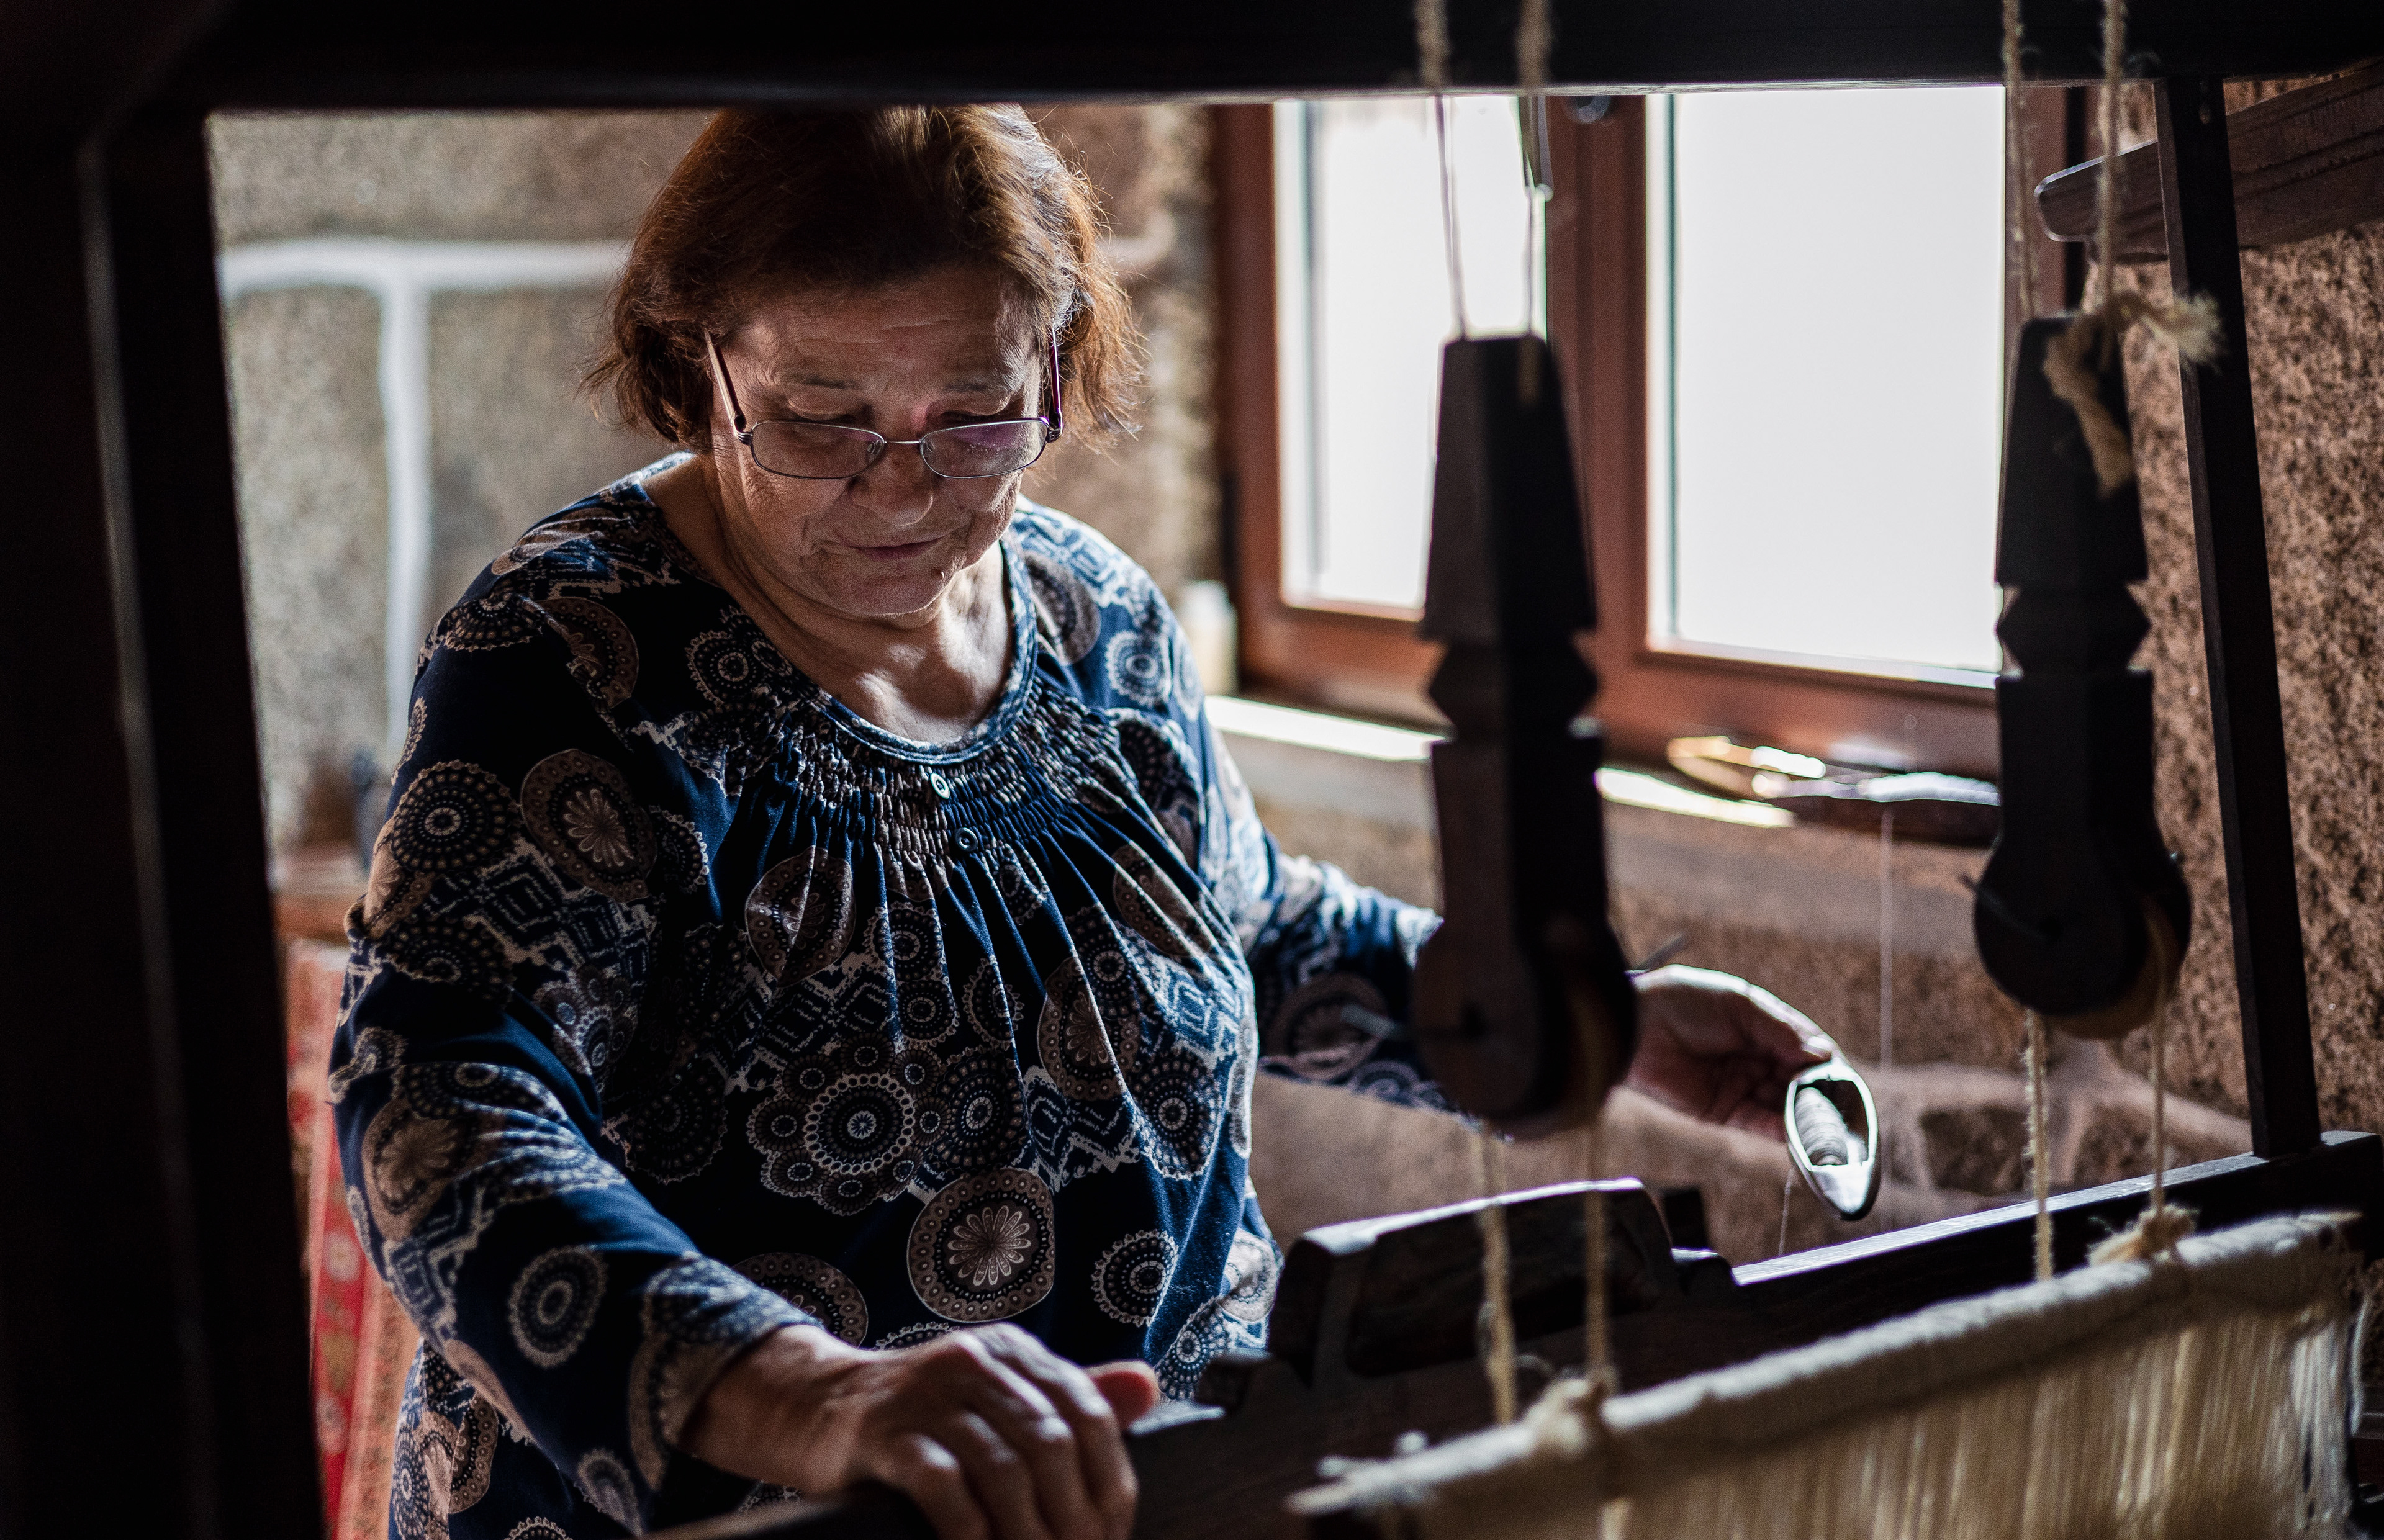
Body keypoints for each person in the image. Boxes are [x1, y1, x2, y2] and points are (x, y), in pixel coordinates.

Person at [330, 105, 1835, 1540]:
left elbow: (1250, 930)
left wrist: (1596, 1022)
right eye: (820, 417)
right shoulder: (571, 655)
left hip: (1166, 1487)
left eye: (975, 415)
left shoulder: (1090, 611)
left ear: (1055, 364)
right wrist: (807, 1392)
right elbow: (443, 1103)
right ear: (696, 361)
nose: (901, 491)